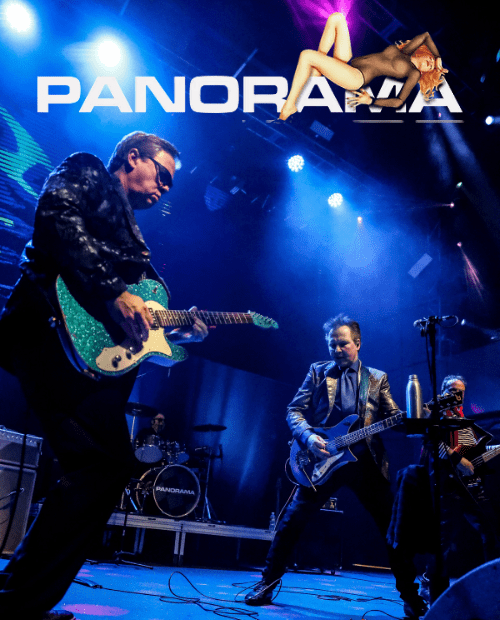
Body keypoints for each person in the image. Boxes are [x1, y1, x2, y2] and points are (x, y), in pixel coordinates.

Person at [0, 131, 208, 620]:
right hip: (46, 332)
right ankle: (18, 603)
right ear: (133, 157)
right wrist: (113, 291)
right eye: (162, 175)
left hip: (84, 360)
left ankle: (20, 599)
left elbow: (137, 316)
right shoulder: (88, 169)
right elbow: (55, 219)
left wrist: (179, 330)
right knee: (101, 467)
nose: (165, 188)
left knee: (102, 469)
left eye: (171, 184)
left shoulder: (132, 237)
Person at [245, 314, 426, 618]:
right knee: (292, 521)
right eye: (332, 345)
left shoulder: (377, 378)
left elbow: (393, 417)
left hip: (366, 463)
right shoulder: (318, 372)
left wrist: (414, 417)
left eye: (343, 344)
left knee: (391, 529)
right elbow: (294, 411)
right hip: (323, 460)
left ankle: (410, 595)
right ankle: (267, 583)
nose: (337, 349)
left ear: (358, 343)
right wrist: (308, 436)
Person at [388, 375, 500, 607]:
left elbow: (476, 456)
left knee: (492, 531)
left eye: (460, 391)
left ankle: (493, 584)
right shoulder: (434, 415)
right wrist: (459, 460)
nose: (456, 395)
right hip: (445, 485)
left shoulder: (464, 422)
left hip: (469, 487)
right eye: (452, 390)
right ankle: (432, 586)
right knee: (442, 542)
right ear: (443, 391)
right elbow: (432, 443)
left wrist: (495, 450)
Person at [278, 12, 448, 120]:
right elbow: (425, 35)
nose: (430, 63)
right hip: (348, 63)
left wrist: (372, 101)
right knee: (337, 18)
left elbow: (399, 101)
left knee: (307, 55)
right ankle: (317, 71)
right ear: (425, 53)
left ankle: (290, 105)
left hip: (355, 77)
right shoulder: (406, 52)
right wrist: (438, 58)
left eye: (430, 67)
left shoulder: (413, 73)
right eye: (430, 60)